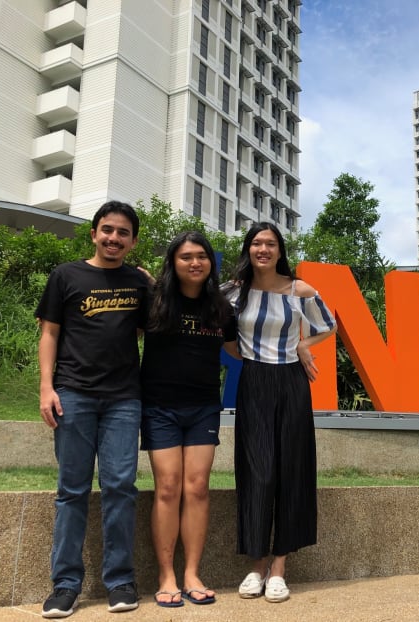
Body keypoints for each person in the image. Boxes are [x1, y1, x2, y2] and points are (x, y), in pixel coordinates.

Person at [36, 201, 149, 618]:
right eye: (107, 230)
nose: (113, 238)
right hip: (74, 394)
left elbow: (145, 328)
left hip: (124, 398)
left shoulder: (139, 283)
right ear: (94, 233)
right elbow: (49, 333)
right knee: (72, 491)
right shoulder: (66, 275)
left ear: (133, 241)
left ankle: (120, 581)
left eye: (122, 233)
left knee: (121, 487)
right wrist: (47, 387)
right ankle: (65, 585)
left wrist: (152, 284)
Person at [224, 222, 337, 603]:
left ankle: (278, 568)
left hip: (291, 382)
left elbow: (328, 325)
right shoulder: (234, 292)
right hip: (254, 382)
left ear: (279, 250)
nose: (263, 249)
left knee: (290, 470)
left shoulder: (298, 289)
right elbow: (220, 330)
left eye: (270, 243)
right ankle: (255, 565)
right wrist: (248, 357)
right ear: (248, 248)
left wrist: (303, 345)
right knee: (258, 470)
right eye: (256, 242)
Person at [139, 231, 238, 608]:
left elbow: (238, 350)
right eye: (185, 257)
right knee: (168, 487)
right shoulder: (154, 301)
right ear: (173, 262)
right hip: (159, 406)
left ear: (211, 262)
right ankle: (166, 576)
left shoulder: (221, 309)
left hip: (203, 408)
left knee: (197, 487)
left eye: (201, 256)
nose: (194, 262)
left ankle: (192, 573)